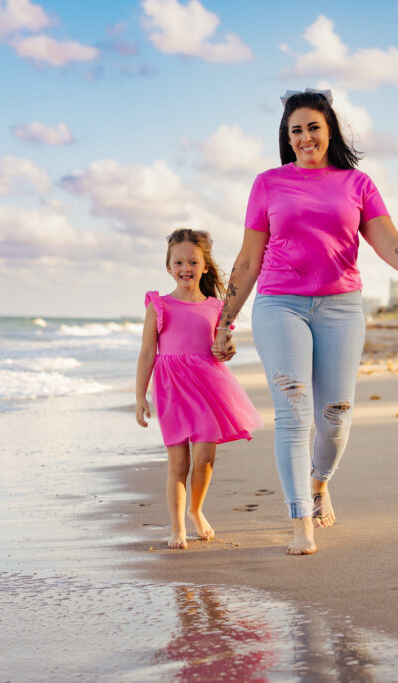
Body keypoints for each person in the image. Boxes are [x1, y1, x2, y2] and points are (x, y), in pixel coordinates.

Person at [212, 88, 398, 556]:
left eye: (313, 126)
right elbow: (249, 258)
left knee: (335, 417)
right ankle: (300, 522)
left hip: (340, 307)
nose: (305, 137)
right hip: (280, 304)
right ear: (287, 137)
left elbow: (385, 238)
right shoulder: (268, 183)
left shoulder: (357, 184)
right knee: (294, 414)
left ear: (329, 129)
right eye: (295, 130)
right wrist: (225, 321)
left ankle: (319, 484)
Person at [136, 228, 262, 549]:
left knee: (205, 457)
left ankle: (196, 509)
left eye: (193, 262)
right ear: (168, 267)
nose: (185, 268)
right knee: (179, 462)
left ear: (205, 266)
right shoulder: (158, 305)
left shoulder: (218, 308)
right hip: (171, 388)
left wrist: (228, 348)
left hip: (208, 386)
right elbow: (148, 352)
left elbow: (225, 345)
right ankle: (177, 527)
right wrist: (139, 396)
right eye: (178, 262)